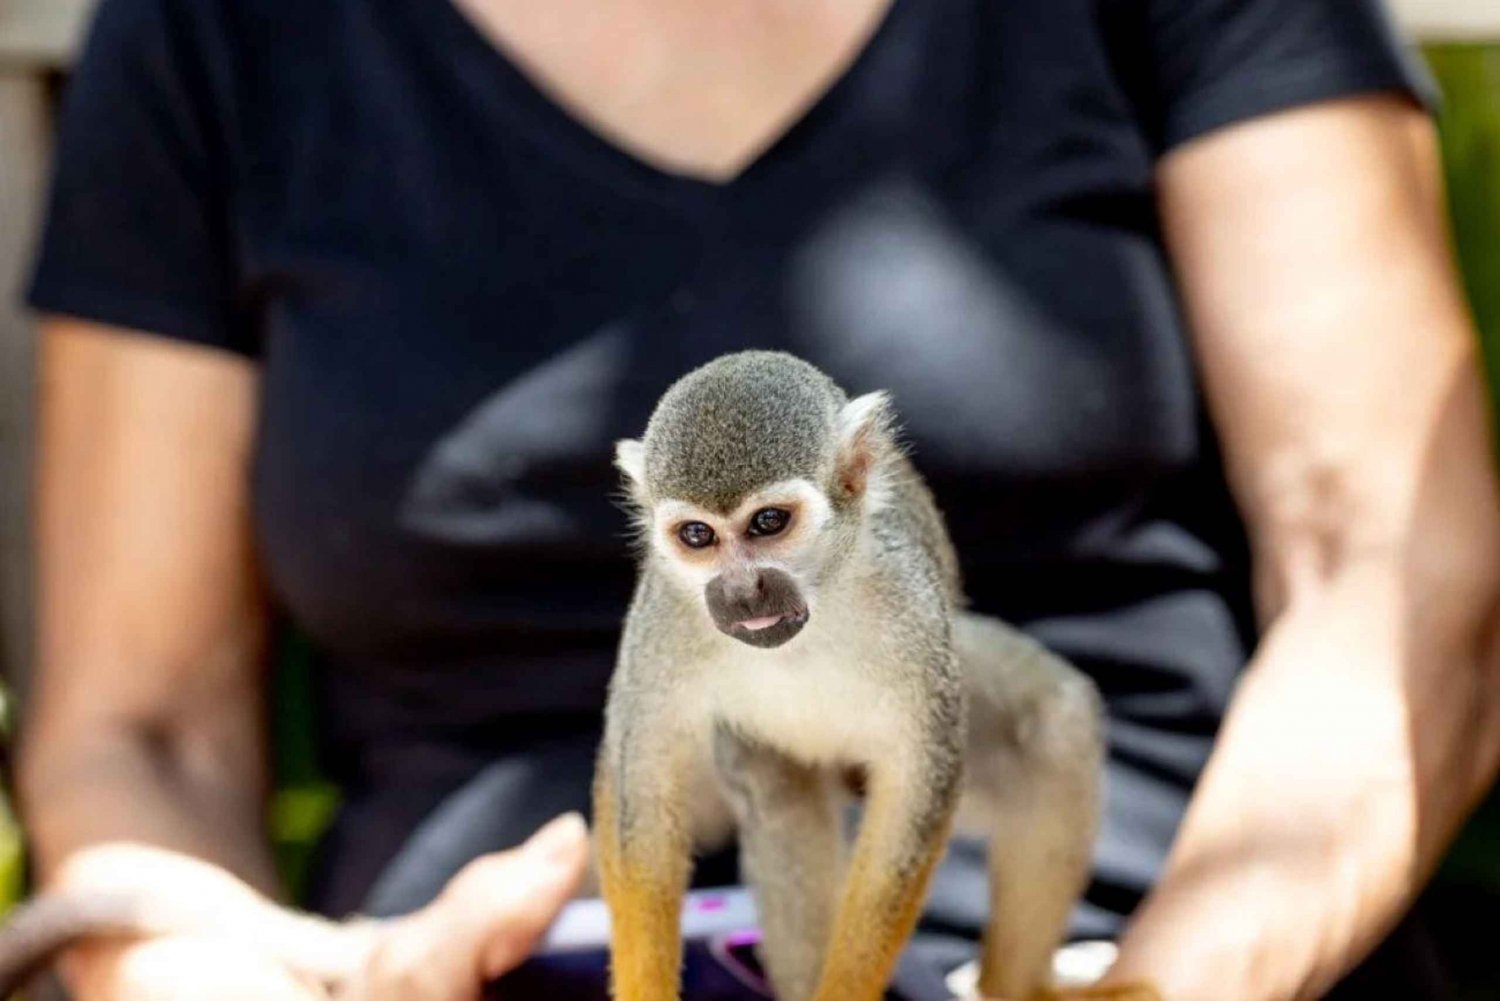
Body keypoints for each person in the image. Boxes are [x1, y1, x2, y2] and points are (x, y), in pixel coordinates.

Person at [15, 0, 1500, 997]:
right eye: (699, 541)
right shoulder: (229, 33)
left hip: (1125, 927)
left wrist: (1174, 982)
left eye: (771, 525)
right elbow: (135, 728)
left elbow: (1390, 568)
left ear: (856, 471)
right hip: (484, 948)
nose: (738, 575)